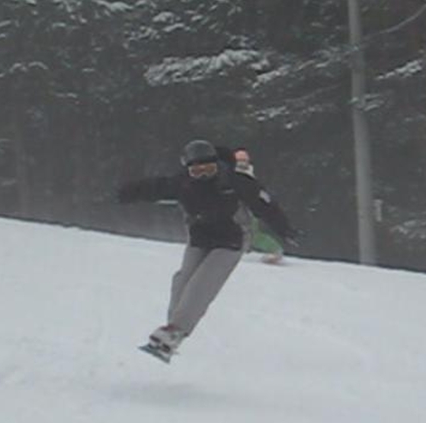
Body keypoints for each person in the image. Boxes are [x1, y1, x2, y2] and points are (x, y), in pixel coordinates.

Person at [117, 139, 297, 362]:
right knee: (182, 281)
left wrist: (284, 229)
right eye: (197, 171)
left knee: (201, 285)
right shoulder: (183, 183)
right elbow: (153, 187)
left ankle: (175, 331)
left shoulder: (234, 181)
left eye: (209, 169)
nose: (203, 176)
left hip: (231, 240)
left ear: (217, 165)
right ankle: (172, 330)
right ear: (187, 170)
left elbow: (265, 205)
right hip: (200, 239)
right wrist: (124, 193)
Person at [232, 148, 285, 264]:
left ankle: (275, 251)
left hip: (248, 210)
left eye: (243, 161)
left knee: (252, 235)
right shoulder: (229, 175)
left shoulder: (249, 176)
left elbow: (258, 192)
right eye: (239, 162)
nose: (241, 165)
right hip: (233, 209)